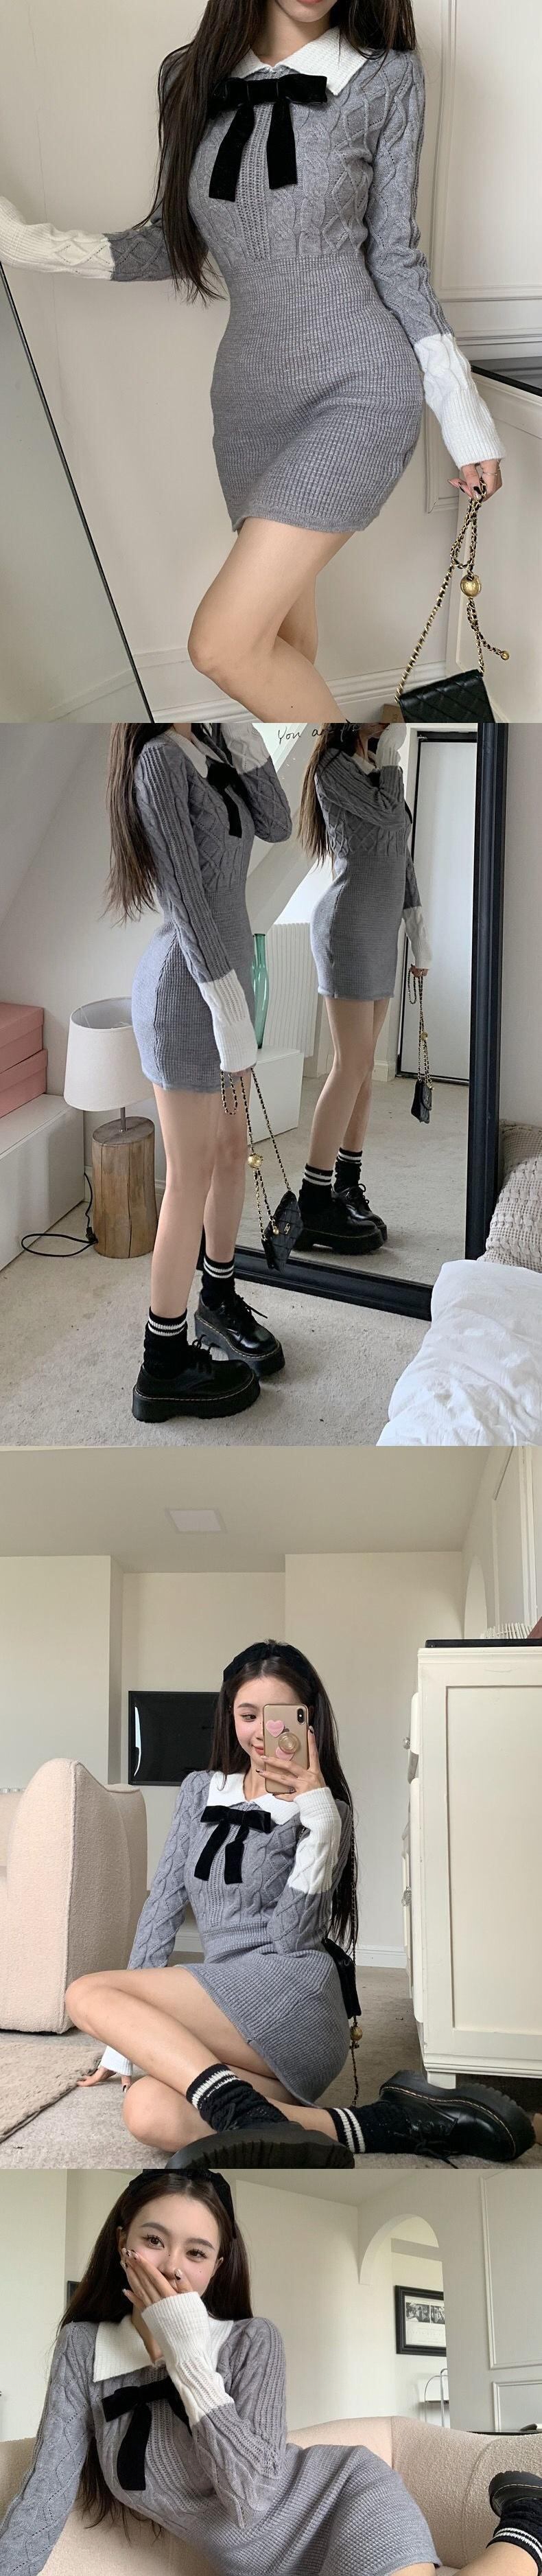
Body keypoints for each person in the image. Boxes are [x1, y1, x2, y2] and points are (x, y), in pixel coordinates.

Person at [0, 0, 504, 722]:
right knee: (276, 645)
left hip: (359, 386)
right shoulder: (189, 77)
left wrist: (464, 415)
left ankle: (352, 784)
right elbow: (170, 242)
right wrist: (27, 244)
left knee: (224, 645)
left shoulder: (386, 78)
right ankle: (327, 789)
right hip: (248, 401)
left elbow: (395, 256)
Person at [65, 1640, 536, 2167]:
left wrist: (318, 1815)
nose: (261, 1731)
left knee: (86, 1992)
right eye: (247, 1715)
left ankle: (244, 2111)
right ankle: (387, 2123)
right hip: (225, 2010)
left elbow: (293, 1938)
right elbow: (163, 1908)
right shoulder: (200, 1790)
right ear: (229, 1716)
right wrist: (123, 2045)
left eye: (278, 1716)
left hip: (292, 1997)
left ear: (308, 1721)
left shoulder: (327, 1812)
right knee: (149, 2112)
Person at [2, 2164, 542, 2576]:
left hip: (341, 2499)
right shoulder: (85, 2347)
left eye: (196, 2253)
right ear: (123, 2242)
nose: (171, 2267)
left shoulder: (250, 2340)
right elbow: (46, 2490)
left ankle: (529, 2525)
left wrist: (186, 2355)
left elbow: (252, 2497)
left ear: (217, 2266)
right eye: (154, 2240)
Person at [106, 719, 292, 1422]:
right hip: (188, 996)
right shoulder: (158, 761)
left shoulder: (212, 748)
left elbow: (276, 822)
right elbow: (185, 897)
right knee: (189, 1176)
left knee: (230, 1155)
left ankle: (216, 1297)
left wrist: (241, 734)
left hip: (228, 990)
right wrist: (225, 1006)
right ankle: (161, 1365)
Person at [296, 717, 429, 1252]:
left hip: (381, 931)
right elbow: (387, 814)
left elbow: (401, 854)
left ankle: (346, 1187)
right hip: (348, 928)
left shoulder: (376, 769)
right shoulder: (333, 768)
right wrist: (394, 754)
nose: (387, 718)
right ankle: (312, 1202)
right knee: (349, 1066)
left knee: (365, 1073)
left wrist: (419, 933)